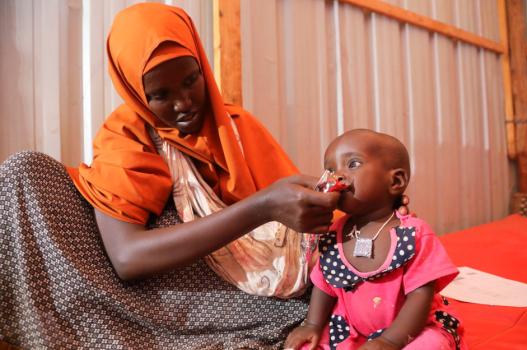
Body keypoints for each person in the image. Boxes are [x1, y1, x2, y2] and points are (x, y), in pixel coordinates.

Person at [0, 3, 408, 349]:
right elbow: (126, 259)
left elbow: (298, 239)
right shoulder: (126, 137)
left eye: (191, 80)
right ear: (134, 91)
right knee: (24, 172)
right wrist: (263, 206)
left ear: (202, 66)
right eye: (159, 95)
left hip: (242, 288)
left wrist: (373, 215)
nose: (183, 104)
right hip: (154, 288)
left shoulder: (237, 128)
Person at [284, 129, 465, 350]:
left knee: (431, 344)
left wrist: (389, 341)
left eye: (353, 164)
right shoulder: (333, 233)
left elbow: (421, 297)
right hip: (351, 330)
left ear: (395, 181)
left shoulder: (414, 234)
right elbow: (325, 285)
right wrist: (312, 324)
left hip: (409, 331)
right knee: (307, 345)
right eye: (330, 170)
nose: (337, 176)